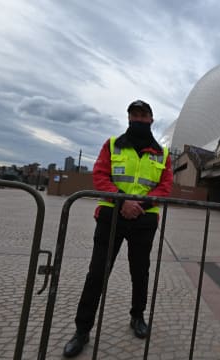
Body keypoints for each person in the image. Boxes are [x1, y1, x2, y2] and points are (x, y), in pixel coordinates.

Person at [63, 100, 173, 357]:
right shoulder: (112, 145)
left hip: (145, 219)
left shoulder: (163, 154)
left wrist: (138, 205)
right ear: (128, 119)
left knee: (140, 271)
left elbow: (164, 187)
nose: (138, 119)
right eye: (134, 115)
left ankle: (137, 317)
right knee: (97, 273)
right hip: (112, 215)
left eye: (143, 115)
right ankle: (82, 330)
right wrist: (122, 200)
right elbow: (100, 176)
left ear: (151, 120)